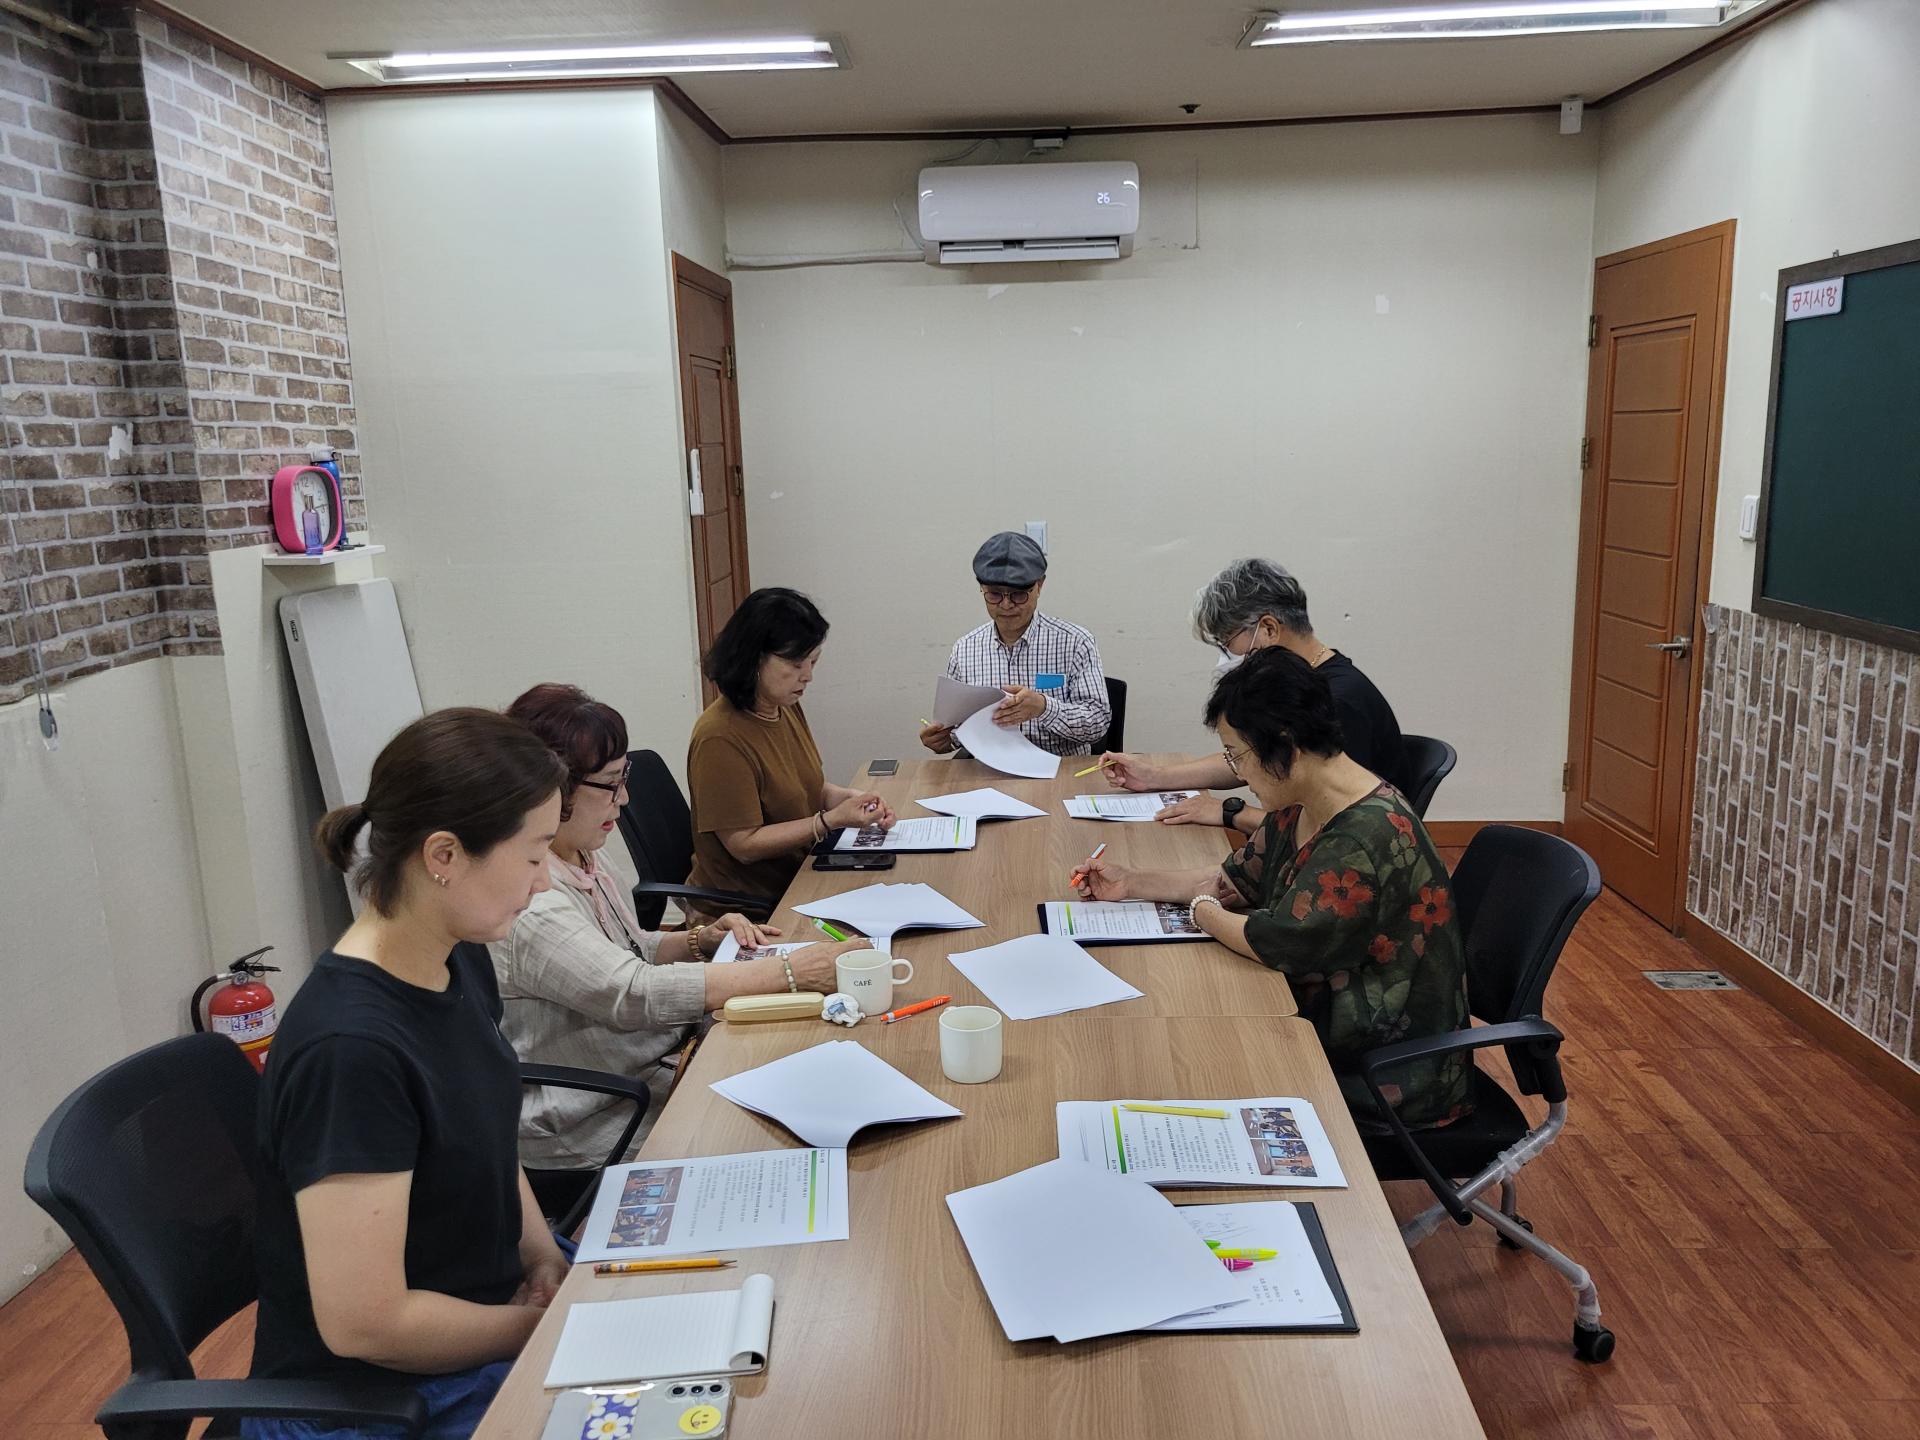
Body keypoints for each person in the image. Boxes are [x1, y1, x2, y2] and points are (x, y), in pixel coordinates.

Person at [246, 709, 575, 1440]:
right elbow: (367, 1325)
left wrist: (544, 1259)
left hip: (482, 1320)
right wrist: (537, 1328)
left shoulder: (457, 956)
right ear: (444, 855)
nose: (546, 880)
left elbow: (488, 1139)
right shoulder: (350, 1051)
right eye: (533, 856)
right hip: (377, 1397)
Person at [495, 684, 871, 1200]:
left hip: (661, 1060)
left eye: (624, 779)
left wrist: (699, 940)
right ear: (552, 789)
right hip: (598, 1115)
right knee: (791, 1155)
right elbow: (633, 992)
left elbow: (629, 950)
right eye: (610, 785)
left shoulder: (580, 853)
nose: (624, 799)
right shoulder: (534, 900)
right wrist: (790, 971)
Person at [1076, 648, 1469, 1132]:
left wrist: (1202, 911)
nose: (1238, 773)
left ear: (1286, 745)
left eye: (1238, 755)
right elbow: (1232, 882)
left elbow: (1275, 943)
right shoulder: (1303, 802)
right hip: (1326, 1022)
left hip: (1381, 1071)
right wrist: (1131, 882)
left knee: (1177, 1065)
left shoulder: (1361, 838)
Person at [1103, 558, 1405, 835]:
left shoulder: (1335, 703)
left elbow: (1325, 829)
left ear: (1269, 628)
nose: (1227, 657)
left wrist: (1230, 813)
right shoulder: (1305, 684)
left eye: (1227, 644)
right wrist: (1155, 777)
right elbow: (1252, 757)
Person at [687, 588, 894, 918]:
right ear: (754, 658)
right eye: (796, 664)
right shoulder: (720, 737)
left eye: (813, 662)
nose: (808, 676)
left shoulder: (784, 706)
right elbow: (743, 844)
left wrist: (852, 799)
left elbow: (806, 789)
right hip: (748, 911)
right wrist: (829, 821)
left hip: (801, 877)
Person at [920, 531, 1112, 759]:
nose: (1006, 605)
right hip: (988, 768)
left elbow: (1098, 724)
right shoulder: (965, 649)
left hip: (1059, 766)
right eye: (994, 595)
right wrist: (944, 741)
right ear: (982, 588)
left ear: (1039, 586)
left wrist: (1044, 707)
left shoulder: (1075, 642)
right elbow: (958, 729)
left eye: (1019, 595)